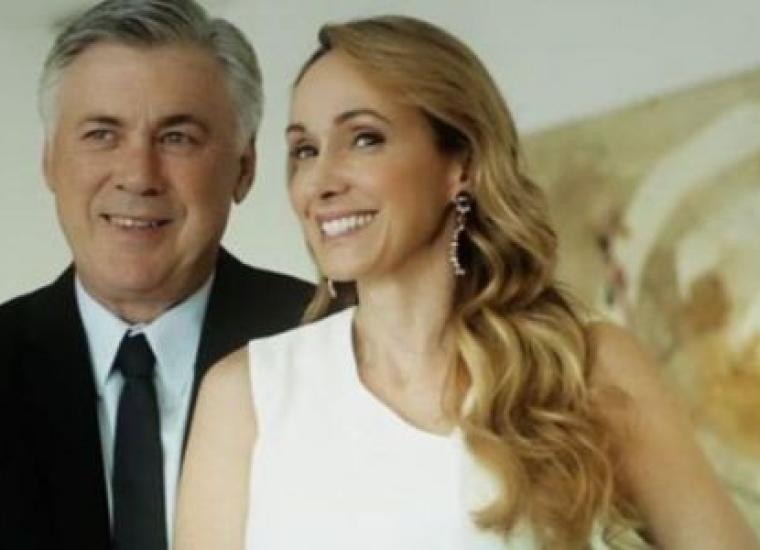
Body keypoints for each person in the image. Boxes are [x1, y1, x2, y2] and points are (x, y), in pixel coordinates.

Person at [175, 15, 758, 550]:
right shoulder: (245, 396)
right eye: (304, 150)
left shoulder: (587, 364)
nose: (320, 180)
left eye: (365, 138)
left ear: (463, 165)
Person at [0, 1, 313, 549]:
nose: (138, 175)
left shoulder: (327, 345)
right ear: (50, 161)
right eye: (102, 134)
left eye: (177, 138)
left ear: (243, 168)